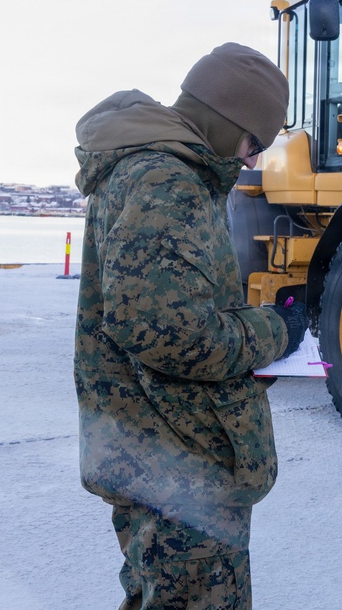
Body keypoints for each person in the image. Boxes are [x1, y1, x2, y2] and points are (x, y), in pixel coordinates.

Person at [73, 42, 309, 609]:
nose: (253, 160)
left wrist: (239, 360)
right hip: (178, 464)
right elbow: (169, 332)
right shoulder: (166, 181)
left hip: (157, 447)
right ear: (225, 120)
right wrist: (273, 332)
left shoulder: (150, 170)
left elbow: (162, 315)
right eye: (255, 141)